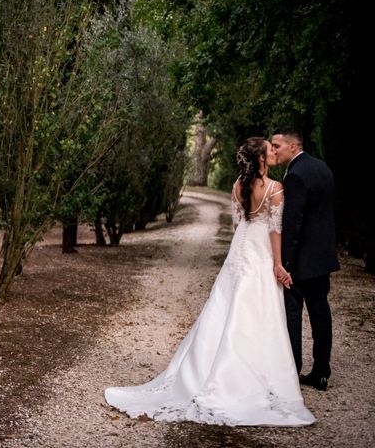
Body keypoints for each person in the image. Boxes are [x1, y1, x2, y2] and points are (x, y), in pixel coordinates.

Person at [104, 137, 315, 426]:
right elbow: (274, 231)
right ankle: (246, 378)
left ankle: (206, 371)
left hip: (240, 248)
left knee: (226, 306)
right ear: (262, 159)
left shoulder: (237, 185)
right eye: (269, 149)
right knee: (257, 309)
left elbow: (237, 224)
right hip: (260, 250)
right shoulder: (275, 189)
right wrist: (278, 264)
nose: (274, 151)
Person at [271, 128, 340, 391]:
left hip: (301, 261)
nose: (274, 150)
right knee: (321, 312)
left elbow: (293, 223)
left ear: (292, 146)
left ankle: (293, 369)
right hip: (322, 258)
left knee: (293, 313)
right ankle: (322, 372)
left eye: (277, 146)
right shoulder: (323, 167)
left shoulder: (296, 175)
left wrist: (284, 263)